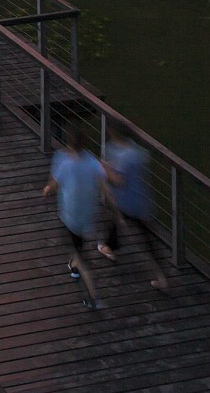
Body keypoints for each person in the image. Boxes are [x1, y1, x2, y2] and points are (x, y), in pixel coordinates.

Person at [43, 123, 104, 308]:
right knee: (78, 246)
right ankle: (75, 264)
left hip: (70, 217)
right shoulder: (92, 161)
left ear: (68, 142)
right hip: (87, 215)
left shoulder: (64, 162)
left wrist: (47, 190)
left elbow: (53, 185)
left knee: (79, 252)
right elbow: (102, 184)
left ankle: (93, 297)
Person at [101, 126, 168, 290]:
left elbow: (119, 181)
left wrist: (104, 168)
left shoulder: (123, 156)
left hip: (127, 202)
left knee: (118, 219)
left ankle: (109, 247)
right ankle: (161, 277)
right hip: (142, 200)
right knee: (145, 238)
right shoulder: (139, 152)